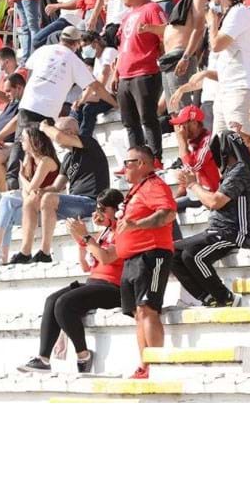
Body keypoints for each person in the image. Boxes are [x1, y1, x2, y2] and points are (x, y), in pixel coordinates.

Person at [16, 189, 125, 375]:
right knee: (52, 300)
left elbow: (106, 258)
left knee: (64, 304)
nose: (98, 214)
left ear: (115, 210)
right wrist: (80, 239)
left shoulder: (123, 231)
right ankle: (43, 358)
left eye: (102, 209)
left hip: (113, 288)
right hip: (95, 283)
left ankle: (83, 355)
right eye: (97, 209)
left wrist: (86, 237)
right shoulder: (103, 234)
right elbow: (85, 265)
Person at [172, 130, 250, 308]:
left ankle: (226, 297)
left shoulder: (241, 171)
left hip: (234, 233)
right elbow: (212, 203)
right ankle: (208, 297)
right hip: (217, 230)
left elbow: (215, 202)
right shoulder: (232, 172)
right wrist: (191, 184)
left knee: (194, 255)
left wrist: (192, 183)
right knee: (172, 252)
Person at [114, 145, 176, 379]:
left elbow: (168, 213)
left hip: (151, 254)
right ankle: (145, 365)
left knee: (147, 309)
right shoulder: (139, 189)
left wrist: (137, 225)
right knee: (139, 313)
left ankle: (156, 364)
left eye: (128, 163)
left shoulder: (153, 185)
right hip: (134, 257)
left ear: (141, 163)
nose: (124, 169)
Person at [0, 126, 61, 266]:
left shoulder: (46, 161)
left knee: (7, 200)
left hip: (48, 210)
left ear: (33, 140)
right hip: (33, 207)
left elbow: (31, 187)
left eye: (23, 138)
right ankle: (2, 256)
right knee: (7, 210)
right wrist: (25, 177)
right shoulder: (29, 159)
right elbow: (27, 194)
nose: (20, 141)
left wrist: (20, 175)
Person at [35, 116, 110, 258]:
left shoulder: (89, 144)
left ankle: (44, 252)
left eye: (57, 131)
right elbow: (57, 186)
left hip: (92, 202)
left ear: (69, 132)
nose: (53, 138)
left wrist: (45, 127)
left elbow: (59, 137)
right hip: (75, 203)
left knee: (49, 199)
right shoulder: (68, 158)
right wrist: (40, 191)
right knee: (33, 202)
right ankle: (24, 252)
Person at [113, 0, 167, 157]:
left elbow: (166, 31)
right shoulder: (127, 16)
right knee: (129, 122)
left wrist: (151, 30)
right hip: (125, 74)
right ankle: (136, 157)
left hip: (145, 71)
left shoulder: (152, 8)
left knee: (148, 118)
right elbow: (122, 46)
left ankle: (155, 157)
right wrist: (116, 72)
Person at [205, 0, 250, 134]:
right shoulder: (230, 14)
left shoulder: (239, 13)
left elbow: (216, 45)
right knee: (222, 146)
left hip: (241, 87)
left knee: (245, 144)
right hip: (227, 88)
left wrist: (212, 23)